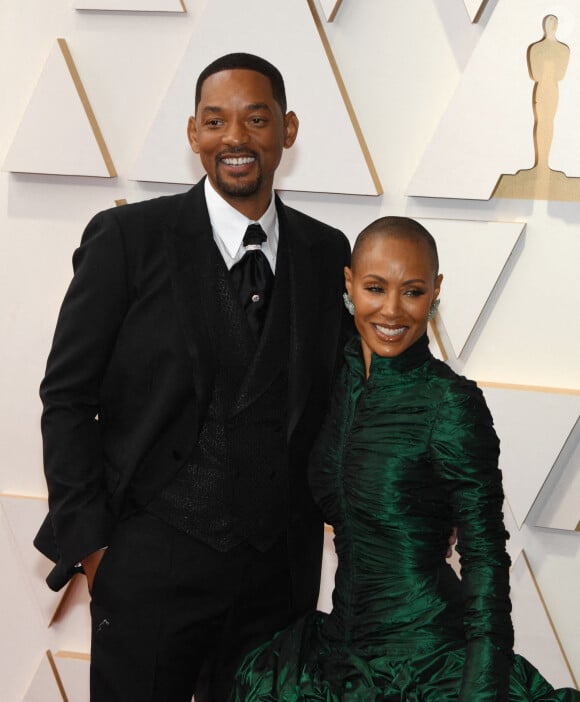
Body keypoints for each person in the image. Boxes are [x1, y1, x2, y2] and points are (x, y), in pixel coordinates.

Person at [33, 53, 353, 702]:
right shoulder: (128, 238)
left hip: (278, 579)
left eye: (255, 119)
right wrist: (96, 550)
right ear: (193, 134)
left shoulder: (328, 254)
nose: (235, 137)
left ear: (286, 131)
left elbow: (350, 402)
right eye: (216, 121)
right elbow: (66, 398)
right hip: (149, 565)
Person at [231, 216, 580, 701]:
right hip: (339, 655)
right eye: (375, 287)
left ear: (436, 292)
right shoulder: (336, 384)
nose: (392, 311)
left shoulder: (450, 404)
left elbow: (484, 558)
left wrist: (480, 691)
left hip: (428, 662)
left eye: (413, 292)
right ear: (350, 283)